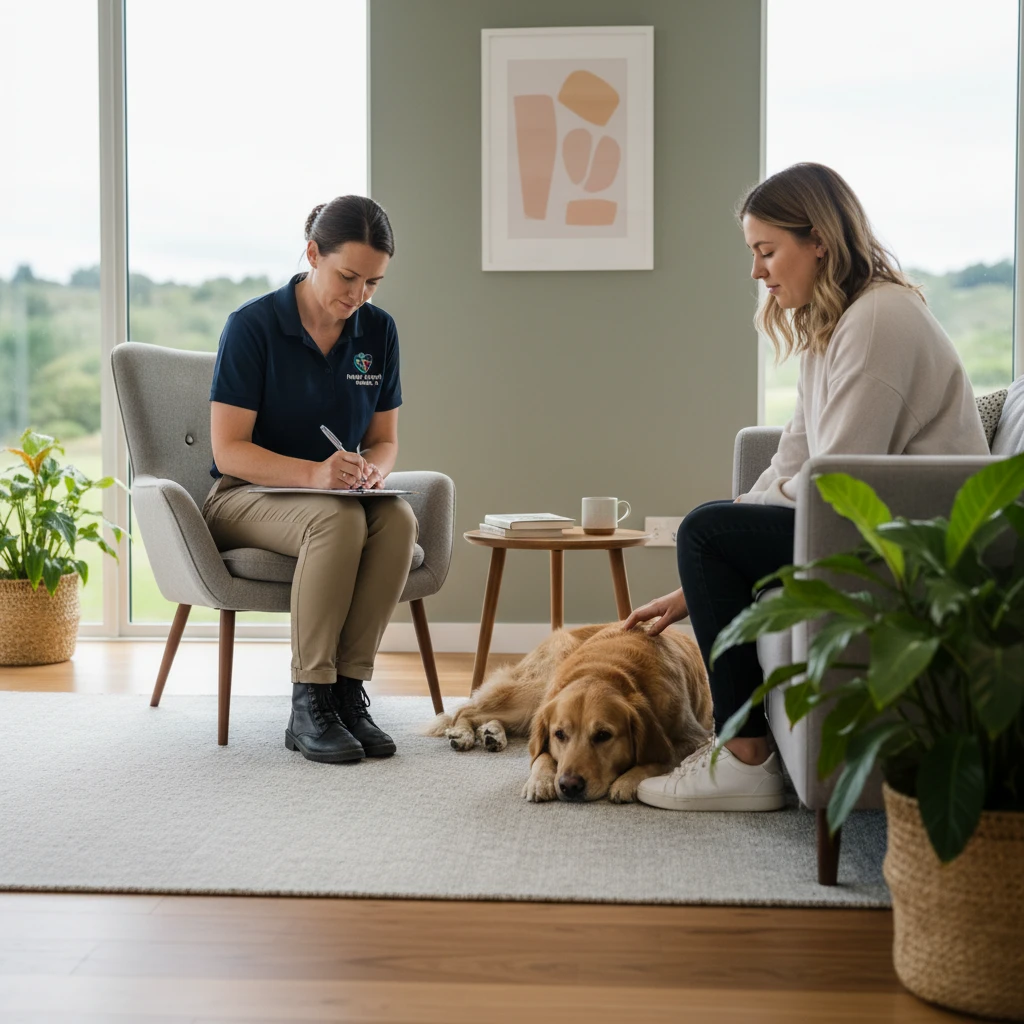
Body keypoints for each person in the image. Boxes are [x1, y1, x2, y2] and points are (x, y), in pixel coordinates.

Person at [624, 162, 989, 811]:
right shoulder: (837, 322)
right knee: (713, 525)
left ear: (818, 239)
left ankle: (743, 758)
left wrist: (718, 543)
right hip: (871, 523)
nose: (757, 272)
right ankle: (742, 751)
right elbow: (795, 455)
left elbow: (839, 478)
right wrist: (704, 567)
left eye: (767, 251)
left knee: (707, 531)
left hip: (916, 544)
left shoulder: (880, 320)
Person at [203, 195, 417, 764]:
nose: (358, 295)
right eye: (348, 276)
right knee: (338, 519)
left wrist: (373, 470)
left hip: (335, 497)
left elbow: (385, 439)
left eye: (373, 282)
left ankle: (348, 694)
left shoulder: (378, 333)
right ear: (313, 253)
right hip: (243, 497)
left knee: (397, 519)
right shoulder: (252, 326)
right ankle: (310, 701)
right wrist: (316, 475)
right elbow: (228, 452)